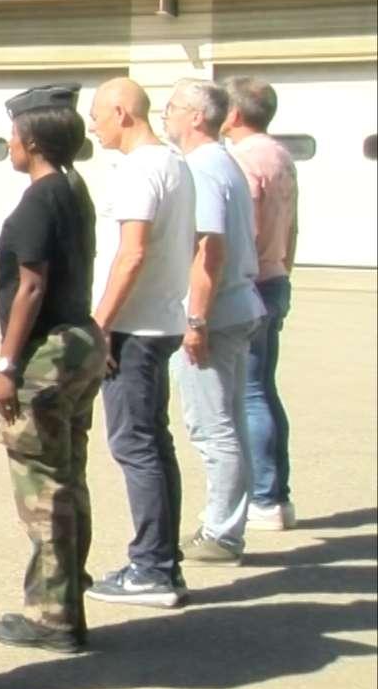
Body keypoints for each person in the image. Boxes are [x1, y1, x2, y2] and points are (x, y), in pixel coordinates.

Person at [0, 85, 106, 655]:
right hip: (81, 340)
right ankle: (68, 594)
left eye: (13, 133)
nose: (9, 143)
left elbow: (30, 284)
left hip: (49, 350)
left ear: (31, 140)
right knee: (69, 475)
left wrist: (7, 363)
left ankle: (53, 614)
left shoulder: (39, 199)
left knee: (43, 487)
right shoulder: (72, 189)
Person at [83, 78, 196, 610]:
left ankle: (152, 568)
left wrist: (100, 325)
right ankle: (161, 561)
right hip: (159, 321)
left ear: (124, 113)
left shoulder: (141, 170)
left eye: (98, 115)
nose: (92, 126)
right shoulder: (173, 163)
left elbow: (131, 255)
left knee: (136, 446)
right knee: (154, 443)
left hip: (135, 329)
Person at [161, 79, 265, 566]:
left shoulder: (202, 169)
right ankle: (228, 525)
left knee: (212, 426)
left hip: (216, 313)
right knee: (231, 422)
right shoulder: (224, 163)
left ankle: (221, 532)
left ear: (197, 117)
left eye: (174, 107)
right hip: (238, 306)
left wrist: (195, 319)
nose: (167, 115)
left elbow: (209, 249)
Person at [222, 76, 300, 531]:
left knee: (248, 393)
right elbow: (293, 225)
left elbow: (243, 231)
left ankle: (266, 497)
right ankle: (277, 494)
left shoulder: (245, 160)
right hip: (276, 277)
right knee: (263, 389)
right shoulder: (281, 156)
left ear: (233, 114)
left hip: (252, 282)